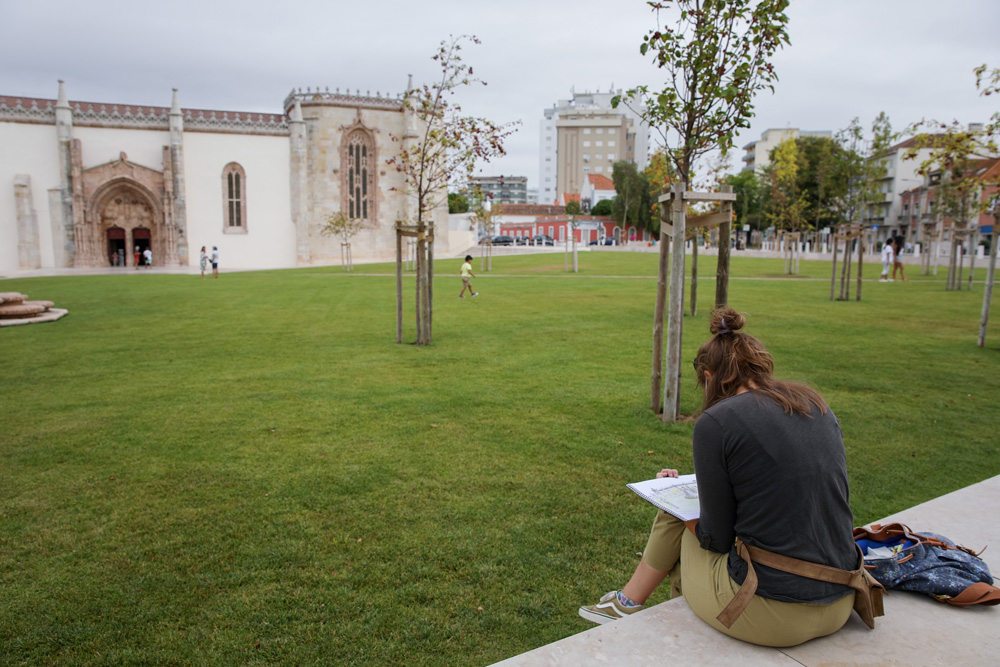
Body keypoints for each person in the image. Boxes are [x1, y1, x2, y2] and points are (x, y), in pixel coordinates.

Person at [579, 307, 858, 648]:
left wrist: (675, 499)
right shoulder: (812, 402)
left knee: (675, 517)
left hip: (774, 615)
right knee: (682, 511)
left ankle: (630, 605)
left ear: (709, 377)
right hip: (842, 598)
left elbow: (717, 539)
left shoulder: (718, 421)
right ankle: (625, 604)